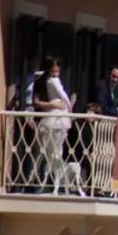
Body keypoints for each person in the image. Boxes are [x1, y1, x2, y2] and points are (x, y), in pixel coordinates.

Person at [33, 57, 74, 192]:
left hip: (60, 119)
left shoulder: (60, 81)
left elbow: (67, 97)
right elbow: (36, 102)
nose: (56, 73)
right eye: (53, 70)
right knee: (43, 151)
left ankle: (54, 182)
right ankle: (39, 183)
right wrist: (52, 105)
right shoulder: (41, 82)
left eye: (58, 70)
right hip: (46, 118)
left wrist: (69, 109)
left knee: (57, 153)